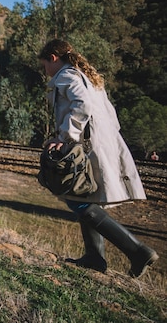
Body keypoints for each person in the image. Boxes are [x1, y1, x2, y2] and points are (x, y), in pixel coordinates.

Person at [38, 38, 159, 278]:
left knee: (75, 197)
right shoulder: (87, 77)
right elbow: (110, 114)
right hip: (102, 142)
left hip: (87, 145)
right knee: (84, 194)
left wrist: (64, 135)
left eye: (45, 65)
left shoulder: (66, 76)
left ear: (53, 58)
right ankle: (94, 257)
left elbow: (81, 105)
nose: (46, 71)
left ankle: (137, 251)